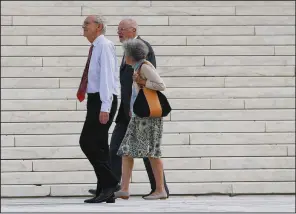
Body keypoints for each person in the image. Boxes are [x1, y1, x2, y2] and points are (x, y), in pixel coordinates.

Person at [89, 18, 169, 199]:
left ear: (133, 30)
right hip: (127, 110)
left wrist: (142, 82)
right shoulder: (128, 50)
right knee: (118, 148)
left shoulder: (142, 48)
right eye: (118, 30)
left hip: (141, 110)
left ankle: (160, 188)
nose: (119, 33)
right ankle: (112, 185)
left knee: (148, 152)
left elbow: (153, 80)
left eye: (122, 29)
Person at [115, 38, 167, 200]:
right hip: (138, 117)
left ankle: (160, 190)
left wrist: (143, 81)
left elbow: (160, 85)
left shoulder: (145, 66)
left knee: (152, 152)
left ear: (131, 55)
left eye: (126, 53)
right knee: (127, 151)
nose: (125, 56)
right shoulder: (137, 67)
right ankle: (124, 189)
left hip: (149, 118)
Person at [77, 15, 120, 203]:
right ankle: (105, 190)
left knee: (87, 142)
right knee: (100, 145)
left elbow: (108, 78)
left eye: (87, 24)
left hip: (103, 100)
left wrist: (105, 106)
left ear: (99, 27)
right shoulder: (96, 47)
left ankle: (110, 182)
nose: (83, 26)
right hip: (96, 99)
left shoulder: (104, 45)